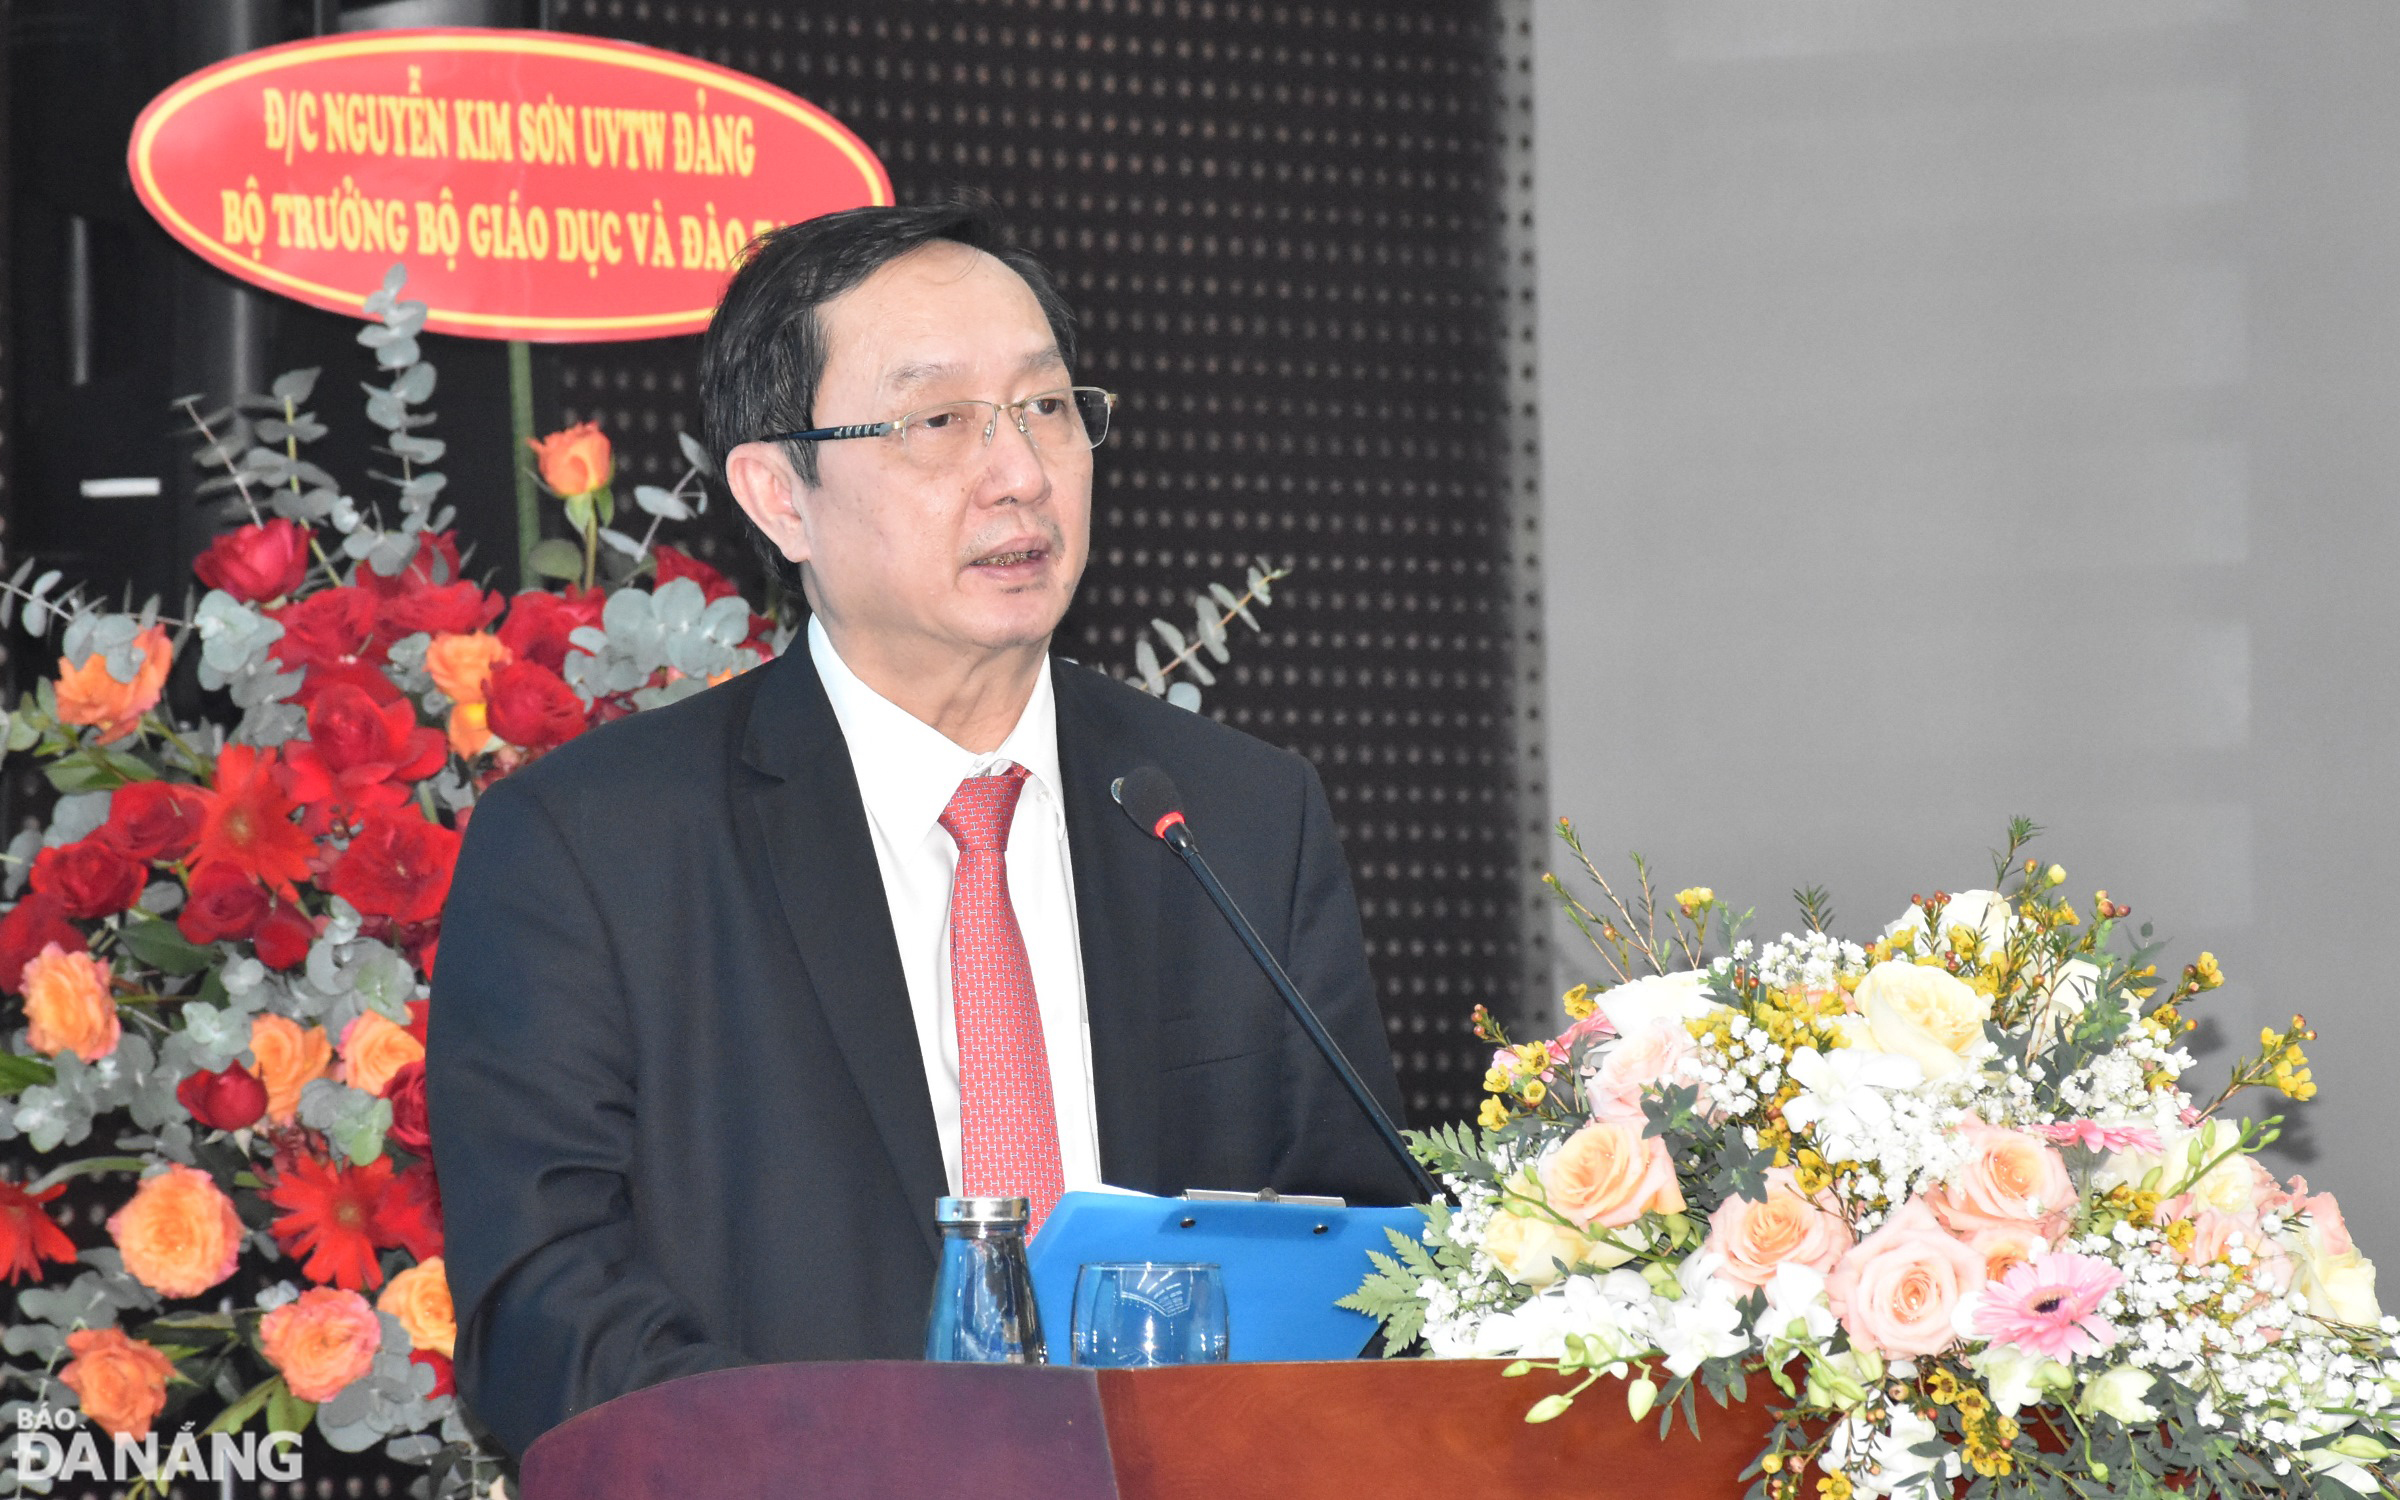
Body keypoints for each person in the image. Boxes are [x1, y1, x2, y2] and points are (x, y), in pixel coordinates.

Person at [425, 197, 1416, 1459]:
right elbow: (546, 1320)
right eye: (940, 420)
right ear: (781, 494)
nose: (1019, 471)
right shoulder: (592, 849)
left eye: (1049, 407)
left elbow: (1372, 1257)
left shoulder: (1231, 817)